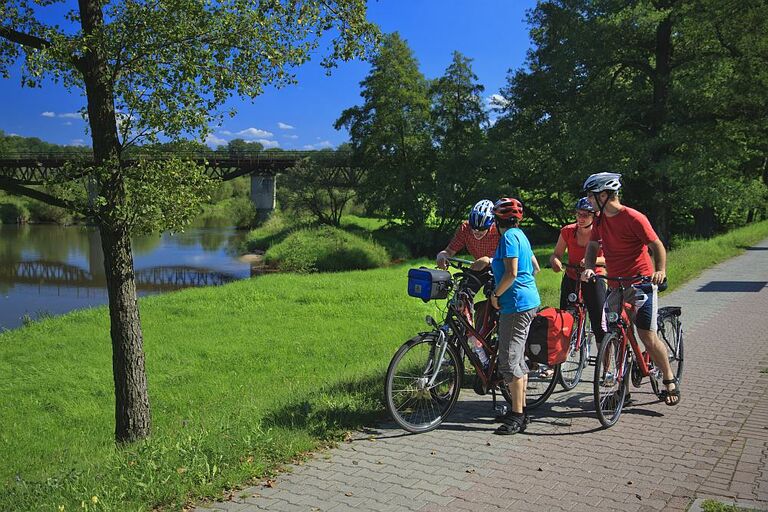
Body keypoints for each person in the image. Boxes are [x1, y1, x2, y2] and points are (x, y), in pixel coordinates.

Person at [580, 172, 680, 406]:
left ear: (604, 195)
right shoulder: (600, 220)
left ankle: (668, 379)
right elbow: (593, 245)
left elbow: (656, 245)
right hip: (615, 282)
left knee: (646, 334)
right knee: (616, 334)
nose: (589, 200)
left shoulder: (633, 217)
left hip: (640, 281)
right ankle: (622, 390)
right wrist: (590, 266)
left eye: (591, 196)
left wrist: (660, 270)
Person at [489, 197, 541, 434]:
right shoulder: (521, 236)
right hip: (526, 301)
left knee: (509, 360)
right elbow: (536, 268)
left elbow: (511, 272)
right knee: (517, 359)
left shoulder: (509, 237)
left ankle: (516, 416)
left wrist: (495, 294)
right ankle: (522, 410)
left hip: (515, 305)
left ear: (496, 219)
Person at [549, 197, 608, 345]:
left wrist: (592, 261)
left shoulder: (601, 232)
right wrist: (555, 261)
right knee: (563, 317)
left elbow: (610, 258)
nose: (581, 218)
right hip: (572, 275)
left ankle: (605, 360)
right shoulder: (568, 231)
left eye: (586, 215)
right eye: (578, 214)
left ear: (594, 216)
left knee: (598, 320)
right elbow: (556, 254)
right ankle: (559, 358)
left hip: (594, 276)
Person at [436, 199, 499, 273]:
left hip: (500, 269)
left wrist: (488, 260)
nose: (477, 231)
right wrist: (441, 255)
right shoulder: (465, 228)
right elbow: (449, 251)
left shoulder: (498, 231)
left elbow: (509, 259)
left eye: (482, 228)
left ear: (491, 224)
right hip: (479, 267)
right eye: (473, 227)